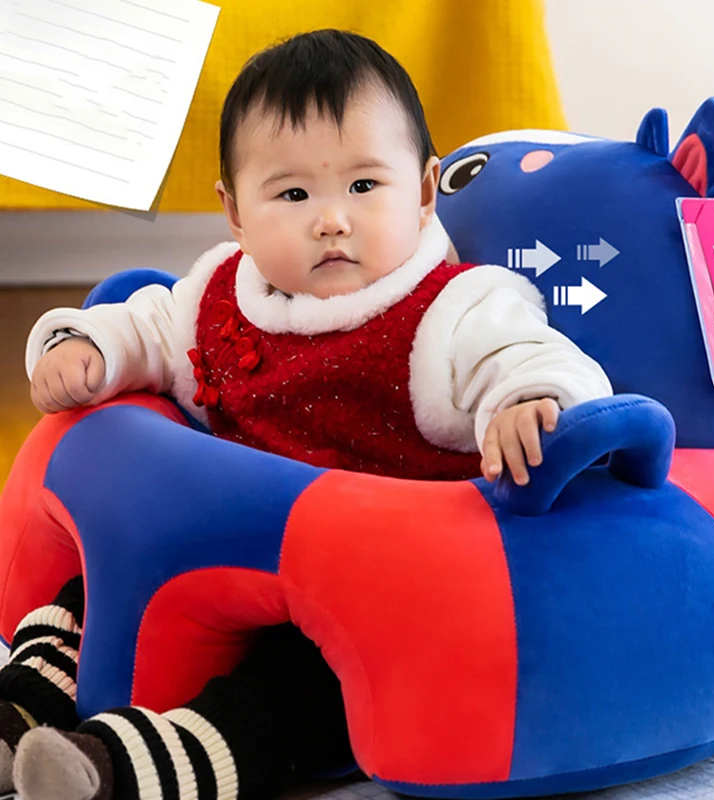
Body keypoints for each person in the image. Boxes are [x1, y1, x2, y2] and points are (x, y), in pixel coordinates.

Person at [6, 29, 612, 800]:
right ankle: (21, 708)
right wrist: (82, 345)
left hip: (366, 592)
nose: (331, 219)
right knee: (88, 597)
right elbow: (147, 325)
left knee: (300, 692)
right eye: (293, 195)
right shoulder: (220, 294)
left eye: (364, 187)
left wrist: (531, 401)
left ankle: (126, 765)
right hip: (222, 564)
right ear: (234, 212)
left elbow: (536, 357)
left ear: (424, 191)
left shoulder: (456, 307)